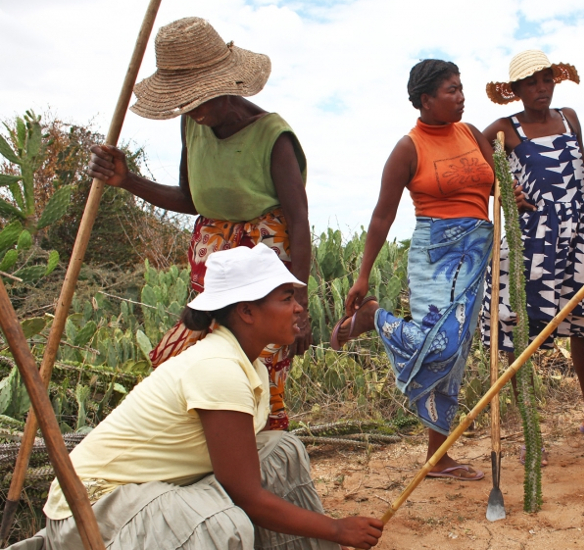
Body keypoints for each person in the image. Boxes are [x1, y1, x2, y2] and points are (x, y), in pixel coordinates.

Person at [10, 245, 383, 550]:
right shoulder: (218, 368)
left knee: (279, 453)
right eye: (287, 298)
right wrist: (336, 529)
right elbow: (247, 497)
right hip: (90, 510)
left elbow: (243, 476)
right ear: (247, 311)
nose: (300, 307)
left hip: (149, 490)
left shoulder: (248, 364)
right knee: (219, 525)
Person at [84, 17, 311, 431]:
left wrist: (299, 307)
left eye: (200, 99)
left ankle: (258, 454)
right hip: (214, 270)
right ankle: (203, 453)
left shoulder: (273, 137)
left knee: (258, 361)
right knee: (202, 357)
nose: (193, 110)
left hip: (264, 269)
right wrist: (126, 180)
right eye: (185, 102)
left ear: (227, 85)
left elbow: (299, 220)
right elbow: (190, 200)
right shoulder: (192, 123)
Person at [331, 60, 495, 481]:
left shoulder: (471, 133)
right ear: (426, 100)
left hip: (476, 252)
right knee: (440, 344)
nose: (461, 97)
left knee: (454, 356)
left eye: (461, 89)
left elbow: (496, 183)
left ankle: (438, 458)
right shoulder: (409, 148)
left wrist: (515, 198)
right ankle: (373, 317)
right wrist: (363, 274)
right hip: (435, 256)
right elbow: (382, 217)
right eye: (451, 91)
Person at [482, 50, 584, 438]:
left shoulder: (569, 118)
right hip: (531, 241)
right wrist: (503, 192)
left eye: (546, 80)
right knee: (522, 330)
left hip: (581, 235)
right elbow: (478, 174)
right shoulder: (503, 129)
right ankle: (528, 432)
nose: (541, 89)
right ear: (516, 90)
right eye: (531, 82)